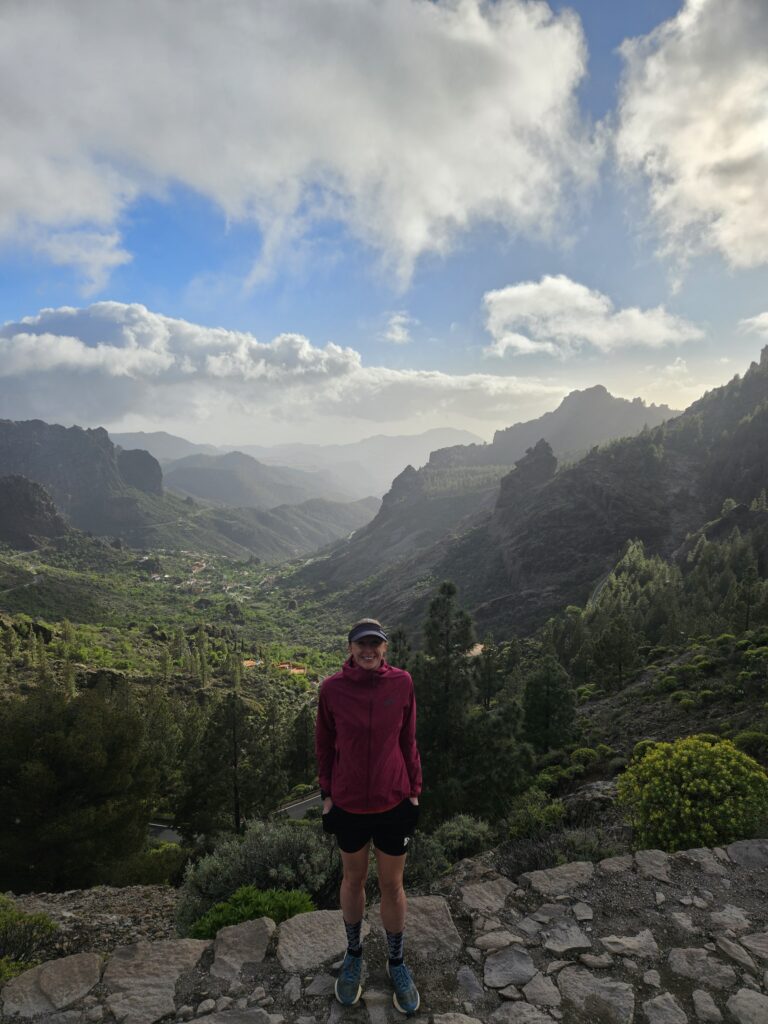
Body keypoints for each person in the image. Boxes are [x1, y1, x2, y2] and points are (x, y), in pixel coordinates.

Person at [316, 618, 422, 1014]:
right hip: (348, 805)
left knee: (393, 886)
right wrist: (327, 795)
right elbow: (324, 744)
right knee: (353, 880)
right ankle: (354, 955)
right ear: (350, 648)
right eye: (361, 644)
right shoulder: (332, 690)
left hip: (393, 801)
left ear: (384, 648)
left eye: (375, 644)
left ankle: (396, 962)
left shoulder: (402, 683)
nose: (368, 650)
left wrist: (414, 791)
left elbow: (408, 739)